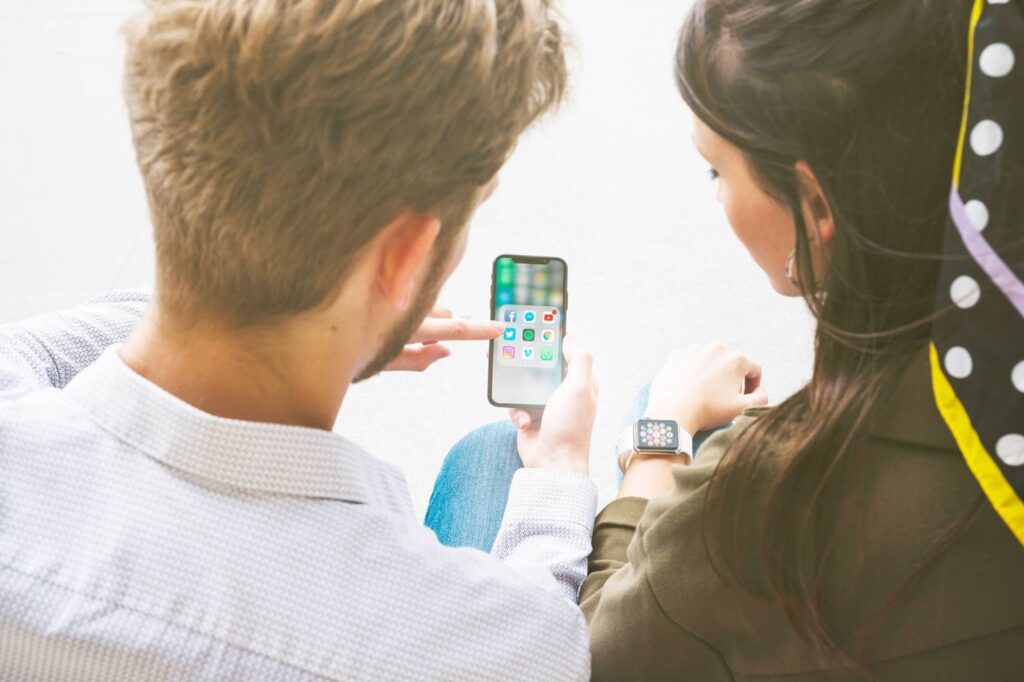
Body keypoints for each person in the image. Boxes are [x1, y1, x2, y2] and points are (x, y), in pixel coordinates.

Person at [0, 1, 602, 679]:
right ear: (404, 260)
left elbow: (28, 352)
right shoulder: (491, 646)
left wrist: (310, 311)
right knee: (493, 452)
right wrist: (559, 473)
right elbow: (542, 637)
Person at [428, 0, 1024, 679]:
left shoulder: (757, 495)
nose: (717, 198)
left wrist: (650, 436)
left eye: (718, 172)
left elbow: (587, 654)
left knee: (492, 453)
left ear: (815, 204)